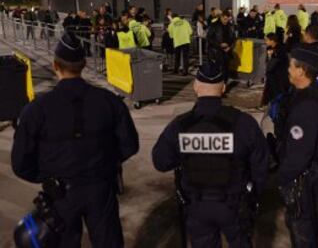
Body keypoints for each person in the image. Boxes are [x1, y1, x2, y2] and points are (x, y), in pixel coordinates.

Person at [11, 32, 139, 248]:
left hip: (60, 195)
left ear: (55, 66)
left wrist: (48, 176)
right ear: (84, 64)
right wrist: (107, 163)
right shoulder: (109, 101)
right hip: (101, 189)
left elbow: (21, 162)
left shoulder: (36, 110)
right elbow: (130, 145)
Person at [152, 63, 268, 248]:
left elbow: (160, 161)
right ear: (223, 88)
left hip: (196, 206)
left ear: (196, 86)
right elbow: (261, 165)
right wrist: (253, 195)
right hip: (234, 204)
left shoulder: (180, 125)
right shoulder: (244, 123)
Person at [272, 43, 318, 248]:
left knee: (301, 227)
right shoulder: (317, 92)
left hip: (300, 178)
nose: (288, 69)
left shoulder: (306, 108)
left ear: (301, 70)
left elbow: (299, 156)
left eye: (291, 65)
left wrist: (278, 179)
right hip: (312, 171)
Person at [206, 10, 236, 83]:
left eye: (227, 19)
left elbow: (233, 38)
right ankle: (216, 86)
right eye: (225, 19)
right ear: (221, 17)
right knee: (217, 69)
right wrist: (219, 45)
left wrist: (229, 46)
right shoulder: (214, 25)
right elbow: (209, 38)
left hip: (227, 51)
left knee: (226, 69)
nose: (226, 21)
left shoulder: (230, 26)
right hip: (216, 51)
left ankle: (224, 85)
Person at [262, 33, 290, 106]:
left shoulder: (280, 49)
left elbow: (278, 62)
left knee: (277, 91)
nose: (266, 42)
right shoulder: (269, 48)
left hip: (279, 75)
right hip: (272, 74)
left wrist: (273, 54)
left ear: (272, 41)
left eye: (267, 40)